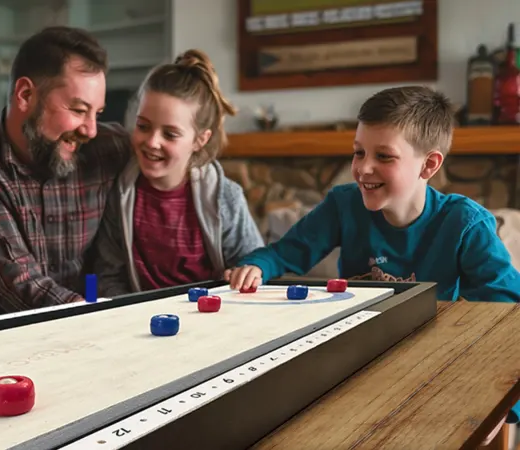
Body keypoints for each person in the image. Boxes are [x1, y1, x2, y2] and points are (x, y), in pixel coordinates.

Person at [223, 85, 520, 432]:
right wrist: (258, 266)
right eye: (358, 152)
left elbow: (508, 313)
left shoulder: (466, 224)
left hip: (431, 363)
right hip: (354, 357)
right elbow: (285, 252)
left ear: (428, 164)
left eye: (384, 156)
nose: (364, 168)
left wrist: (505, 405)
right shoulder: (343, 204)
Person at [0, 26, 132, 321]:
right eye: (79, 110)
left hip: (93, 296)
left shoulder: (109, 148)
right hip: (1, 313)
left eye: (98, 114)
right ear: (25, 94)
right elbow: (20, 285)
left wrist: (229, 254)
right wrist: (97, 319)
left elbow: (184, 164)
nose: (91, 130)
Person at [93, 49, 264, 296]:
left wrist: (246, 273)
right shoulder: (120, 193)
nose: (152, 142)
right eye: (143, 126)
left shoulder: (225, 197)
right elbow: (109, 275)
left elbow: (255, 263)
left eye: (170, 134)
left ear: (200, 140)